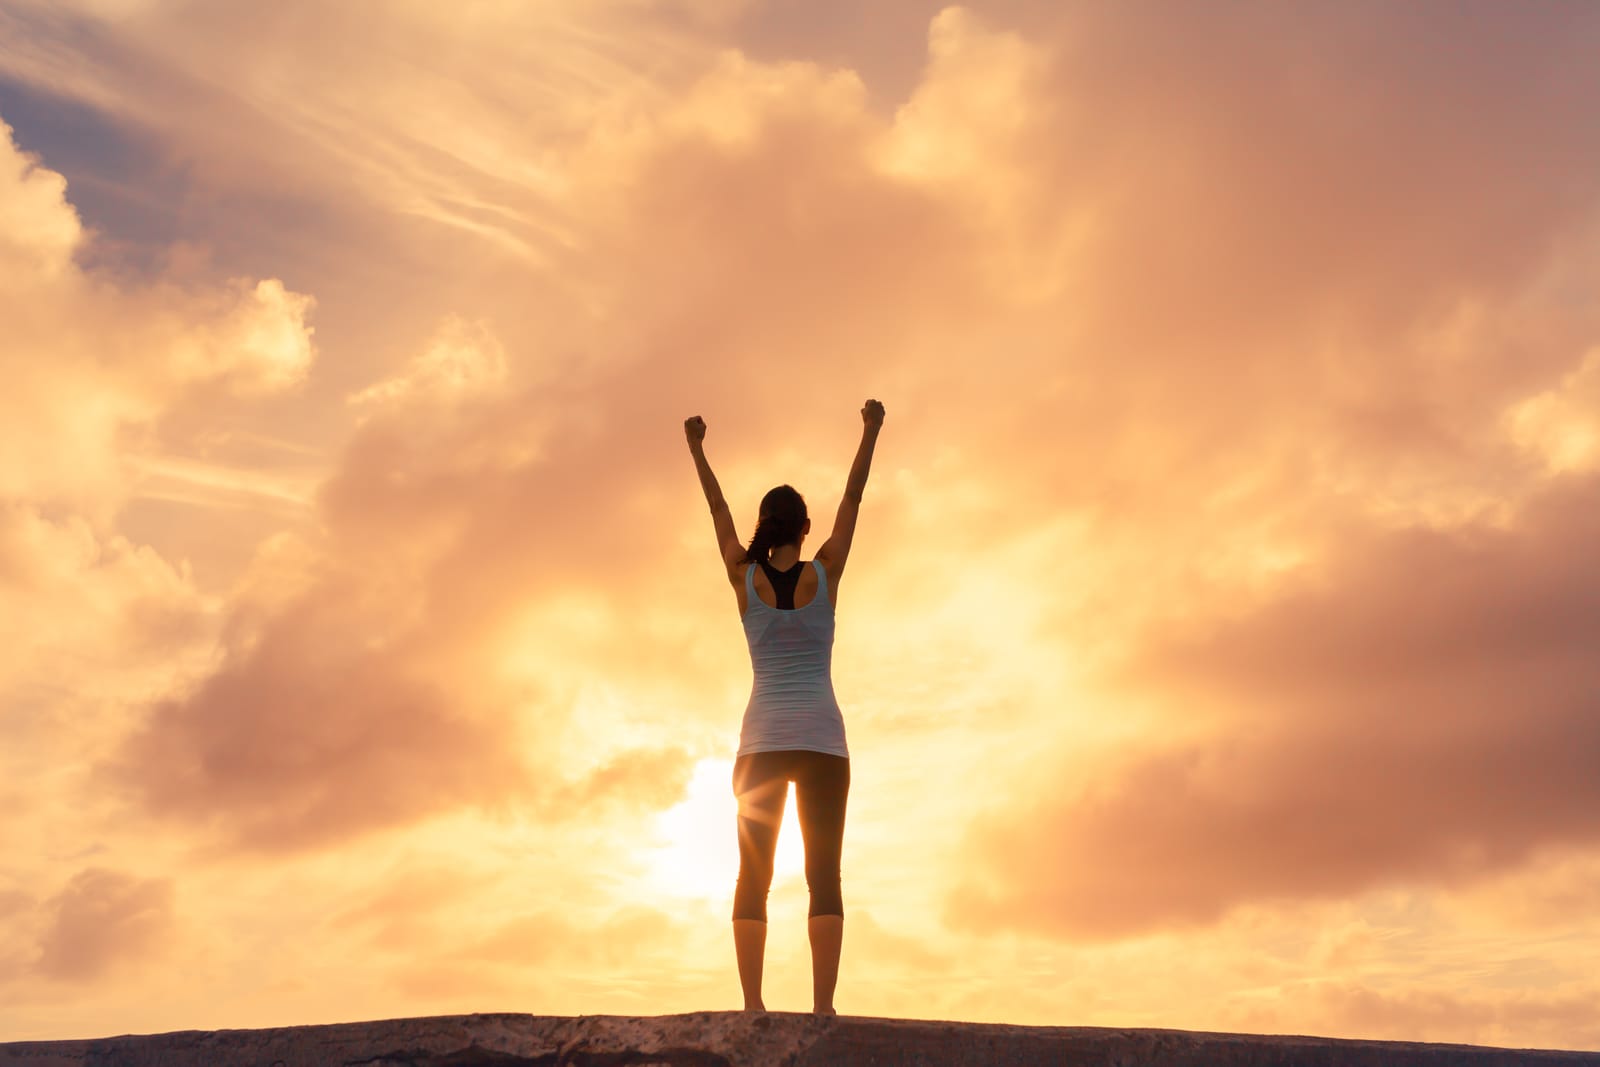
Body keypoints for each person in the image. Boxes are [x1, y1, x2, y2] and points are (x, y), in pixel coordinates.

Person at [683, 399, 885, 1015]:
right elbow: (853, 499)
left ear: (764, 527)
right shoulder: (826, 572)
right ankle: (823, 1010)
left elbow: (717, 510)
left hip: (761, 745)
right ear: (804, 528)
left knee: (754, 876)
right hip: (823, 742)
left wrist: (697, 448)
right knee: (825, 876)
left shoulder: (743, 578)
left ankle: (753, 1008)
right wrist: (871, 430)